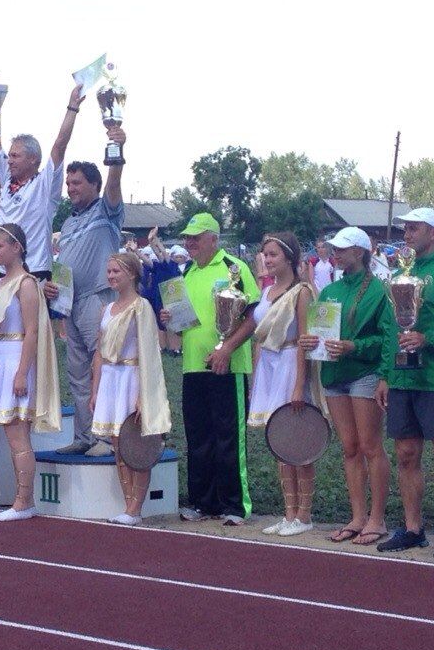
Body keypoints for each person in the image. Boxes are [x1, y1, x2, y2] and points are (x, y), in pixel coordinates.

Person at [161, 212, 260, 526]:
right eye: (187, 238)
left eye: (196, 237)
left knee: (228, 436)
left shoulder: (234, 267)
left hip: (227, 366)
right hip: (193, 366)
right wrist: (170, 320)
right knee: (198, 436)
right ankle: (203, 502)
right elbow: (185, 322)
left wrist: (227, 348)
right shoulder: (188, 272)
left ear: (213, 239)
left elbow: (252, 316)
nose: (190, 243)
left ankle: (234, 505)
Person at [298, 227, 392, 546]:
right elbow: (318, 337)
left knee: (370, 446)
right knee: (349, 447)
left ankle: (377, 519)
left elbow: (387, 338)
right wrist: (309, 340)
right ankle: (357, 517)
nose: (335, 253)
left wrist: (355, 347)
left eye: (342, 249)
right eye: (334, 248)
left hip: (365, 373)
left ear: (360, 253)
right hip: (334, 376)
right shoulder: (330, 291)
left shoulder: (379, 290)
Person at [43, 127, 127, 455]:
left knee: (102, 365)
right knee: (77, 372)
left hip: (98, 298)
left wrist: (117, 149)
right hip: (71, 304)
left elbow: (115, 182)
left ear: (94, 185)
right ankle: (84, 436)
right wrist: (56, 292)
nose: (71, 188)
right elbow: (66, 267)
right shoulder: (69, 221)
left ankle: (106, 437)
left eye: (77, 183)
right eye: (68, 183)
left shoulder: (107, 210)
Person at [374, 207, 434, 559]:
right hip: (404, 378)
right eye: (405, 229)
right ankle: (413, 528)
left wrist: (428, 338)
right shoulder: (398, 275)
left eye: (414, 228)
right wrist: (386, 375)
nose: (406, 234)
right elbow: (391, 329)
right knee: (406, 453)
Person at [0, 224, 61, 521]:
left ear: (17, 247)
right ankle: (21, 499)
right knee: (10, 431)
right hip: (0, 356)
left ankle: (23, 501)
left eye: (0, 246)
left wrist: (21, 373)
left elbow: (32, 331)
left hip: (15, 358)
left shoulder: (26, 284)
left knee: (17, 433)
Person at [245, 233, 322, 537]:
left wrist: (298, 385)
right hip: (268, 367)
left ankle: (304, 515)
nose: (267, 259)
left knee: (297, 443)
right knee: (278, 443)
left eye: (273, 254)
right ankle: (288, 513)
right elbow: (258, 338)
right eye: (265, 254)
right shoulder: (266, 293)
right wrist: (255, 379)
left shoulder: (302, 292)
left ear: (289, 258)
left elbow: (305, 340)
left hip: (291, 363)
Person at [90, 252, 172, 526]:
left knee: (135, 445)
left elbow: (149, 351)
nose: (111, 276)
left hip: (132, 376)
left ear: (132, 274)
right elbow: (100, 353)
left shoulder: (141, 307)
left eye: (117, 271)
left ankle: (136, 508)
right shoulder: (106, 309)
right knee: (117, 444)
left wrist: (142, 395)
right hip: (111, 380)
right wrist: (95, 390)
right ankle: (128, 505)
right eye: (110, 271)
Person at [0, 78, 83, 279]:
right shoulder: (8, 179)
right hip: (4, 270)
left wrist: (72, 108)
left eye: (16, 156)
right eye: (10, 156)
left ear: (33, 159)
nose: (9, 161)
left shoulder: (45, 184)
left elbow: (60, 144)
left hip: (35, 270)